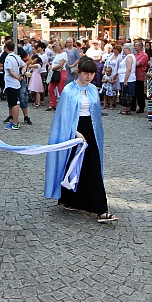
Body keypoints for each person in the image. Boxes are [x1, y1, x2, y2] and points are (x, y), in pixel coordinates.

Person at [45, 56, 116, 223]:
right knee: (72, 164)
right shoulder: (69, 90)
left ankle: (100, 209)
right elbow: (63, 116)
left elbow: (95, 114)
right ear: (79, 72)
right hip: (74, 131)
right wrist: (75, 132)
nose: (89, 76)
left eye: (92, 73)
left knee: (93, 167)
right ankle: (70, 199)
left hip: (91, 130)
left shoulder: (93, 90)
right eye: (86, 73)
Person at [2, 40, 26, 130]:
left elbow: (10, 72)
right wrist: (22, 74)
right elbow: (24, 65)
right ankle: (13, 120)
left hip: (11, 83)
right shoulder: (16, 57)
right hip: (15, 83)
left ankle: (15, 123)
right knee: (12, 102)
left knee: (14, 103)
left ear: (6, 48)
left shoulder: (8, 59)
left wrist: (17, 77)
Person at [46, 41, 67, 110]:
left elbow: (60, 65)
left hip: (60, 72)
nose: (55, 47)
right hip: (54, 72)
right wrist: (51, 66)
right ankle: (53, 104)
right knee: (50, 88)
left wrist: (52, 68)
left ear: (61, 46)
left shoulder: (63, 54)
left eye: (56, 45)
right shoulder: (57, 54)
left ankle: (63, 105)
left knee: (60, 89)